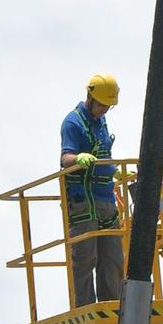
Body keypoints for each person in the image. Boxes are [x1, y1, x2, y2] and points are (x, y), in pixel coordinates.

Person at [60, 73, 124, 307]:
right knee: (86, 256)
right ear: (90, 98)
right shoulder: (73, 122)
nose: (105, 110)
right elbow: (65, 157)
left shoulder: (101, 121)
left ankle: (112, 305)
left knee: (113, 257)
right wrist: (78, 157)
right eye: (103, 105)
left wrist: (114, 171)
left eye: (109, 106)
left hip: (106, 198)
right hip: (84, 201)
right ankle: (85, 308)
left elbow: (105, 152)